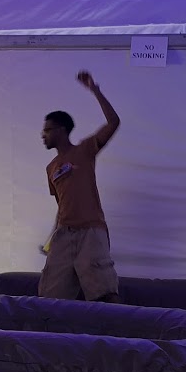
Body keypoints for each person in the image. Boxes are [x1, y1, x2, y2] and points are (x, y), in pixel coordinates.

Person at [39, 71, 121, 301]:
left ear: (61, 130)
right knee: (50, 294)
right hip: (64, 234)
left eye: (47, 130)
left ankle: (115, 324)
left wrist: (95, 90)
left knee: (103, 291)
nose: (43, 135)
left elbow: (113, 123)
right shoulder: (51, 168)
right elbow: (62, 205)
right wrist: (52, 237)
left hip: (90, 231)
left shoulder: (84, 150)